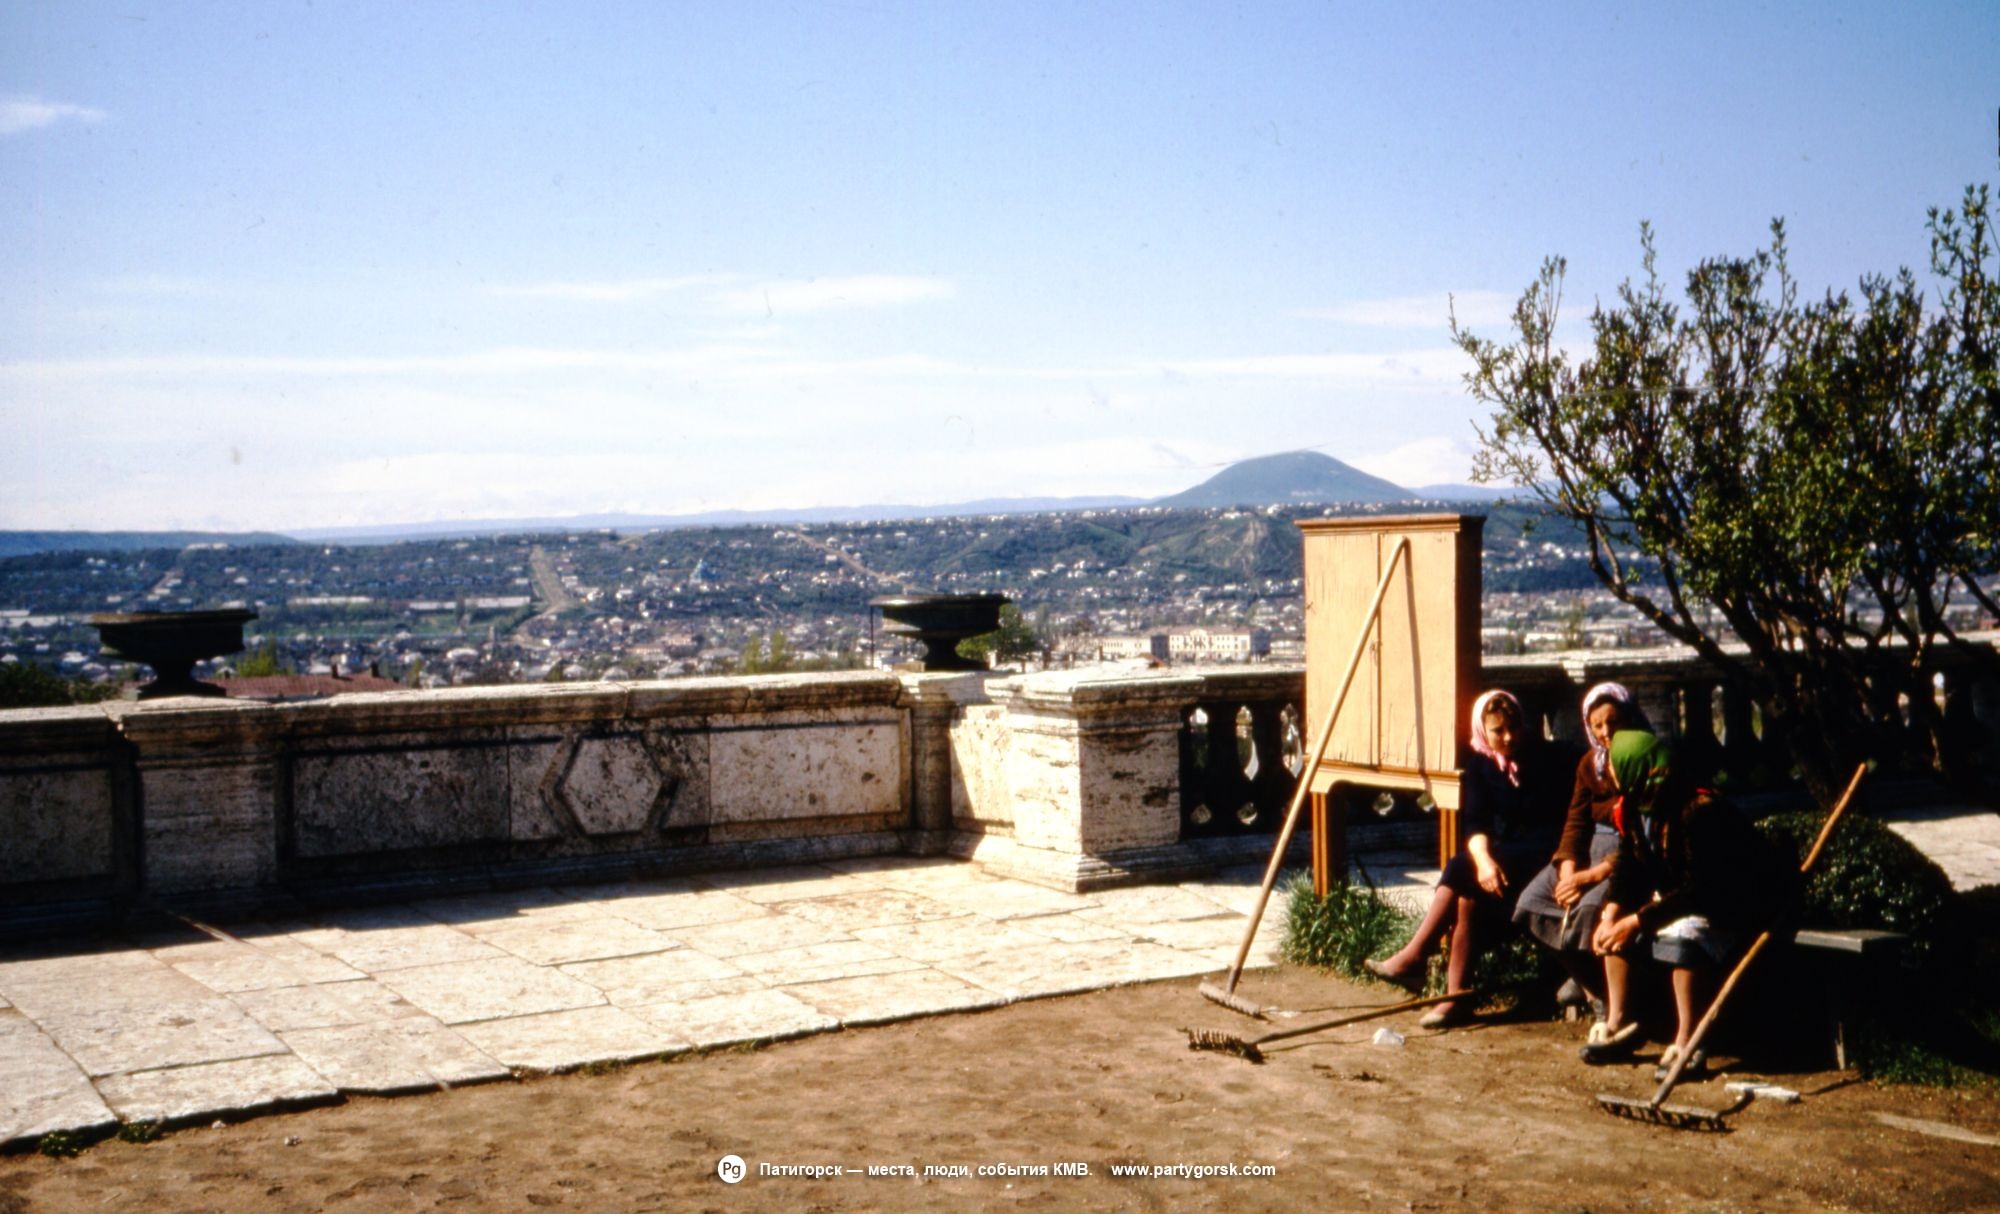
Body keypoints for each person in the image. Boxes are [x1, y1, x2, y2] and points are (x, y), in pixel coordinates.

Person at [1578, 729, 1792, 1079]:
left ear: (1638, 766)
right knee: (1613, 930)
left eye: (1614, 768)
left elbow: (1704, 887)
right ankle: (1618, 1022)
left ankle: (1689, 1042)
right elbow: (1630, 863)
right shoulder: (1635, 803)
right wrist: (1613, 912)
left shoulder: (1697, 809)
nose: (1609, 776)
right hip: (1687, 894)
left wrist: (1638, 920)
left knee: (1683, 933)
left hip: (1735, 902)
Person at [1365, 689, 1569, 1027]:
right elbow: (1476, 824)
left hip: (1546, 854)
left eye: (1514, 727)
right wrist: (1485, 862)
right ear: (1483, 731)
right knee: (1466, 897)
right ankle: (1455, 997)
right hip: (1511, 860)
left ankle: (1416, 956)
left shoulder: (1546, 758)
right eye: (1498, 730)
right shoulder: (1481, 767)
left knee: (1460, 867)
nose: (1508, 737)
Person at [1511, 683, 1649, 1017]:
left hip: (1624, 857)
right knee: (1532, 903)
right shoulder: (1590, 765)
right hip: (1586, 852)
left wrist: (1594, 875)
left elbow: (1642, 837)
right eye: (1597, 725)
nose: (1605, 732)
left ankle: (1611, 1007)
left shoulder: (1641, 758)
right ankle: (1588, 983)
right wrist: (1568, 871)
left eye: (1613, 722)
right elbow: (1575, 821)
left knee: (1589, 911)